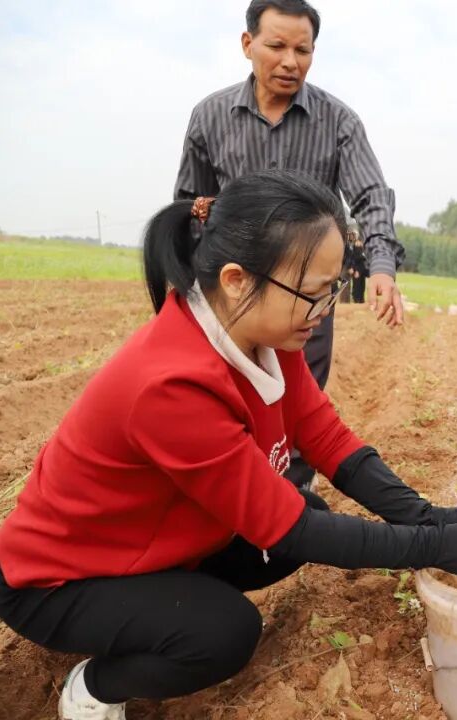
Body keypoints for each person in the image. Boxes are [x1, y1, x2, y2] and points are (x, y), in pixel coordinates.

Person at [0, 171, 457, 720]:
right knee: (224, 633)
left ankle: (162, 605)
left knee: (304, 515)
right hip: (58, 578)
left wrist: (430, 518)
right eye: (313, 293)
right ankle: (95, 686)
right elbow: (289, 527)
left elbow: (329, 441)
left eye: (333, 290)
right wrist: (434, 548)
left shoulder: (265, 332)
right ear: (238, 279)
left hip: (151, 543)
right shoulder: (172, 385)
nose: (325, 310)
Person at [174, 0, 404, 490]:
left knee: (295, 400)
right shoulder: (210, 117)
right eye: (276, 45)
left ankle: (288, 491)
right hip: (232, 292)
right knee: (224, 393)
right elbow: (190, 206)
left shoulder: (338, 122)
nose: (289, 60)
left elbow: (371, 195)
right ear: (248, 44)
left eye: (303, 49)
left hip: (304, 296)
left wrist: (381, 265)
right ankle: (230, 482)